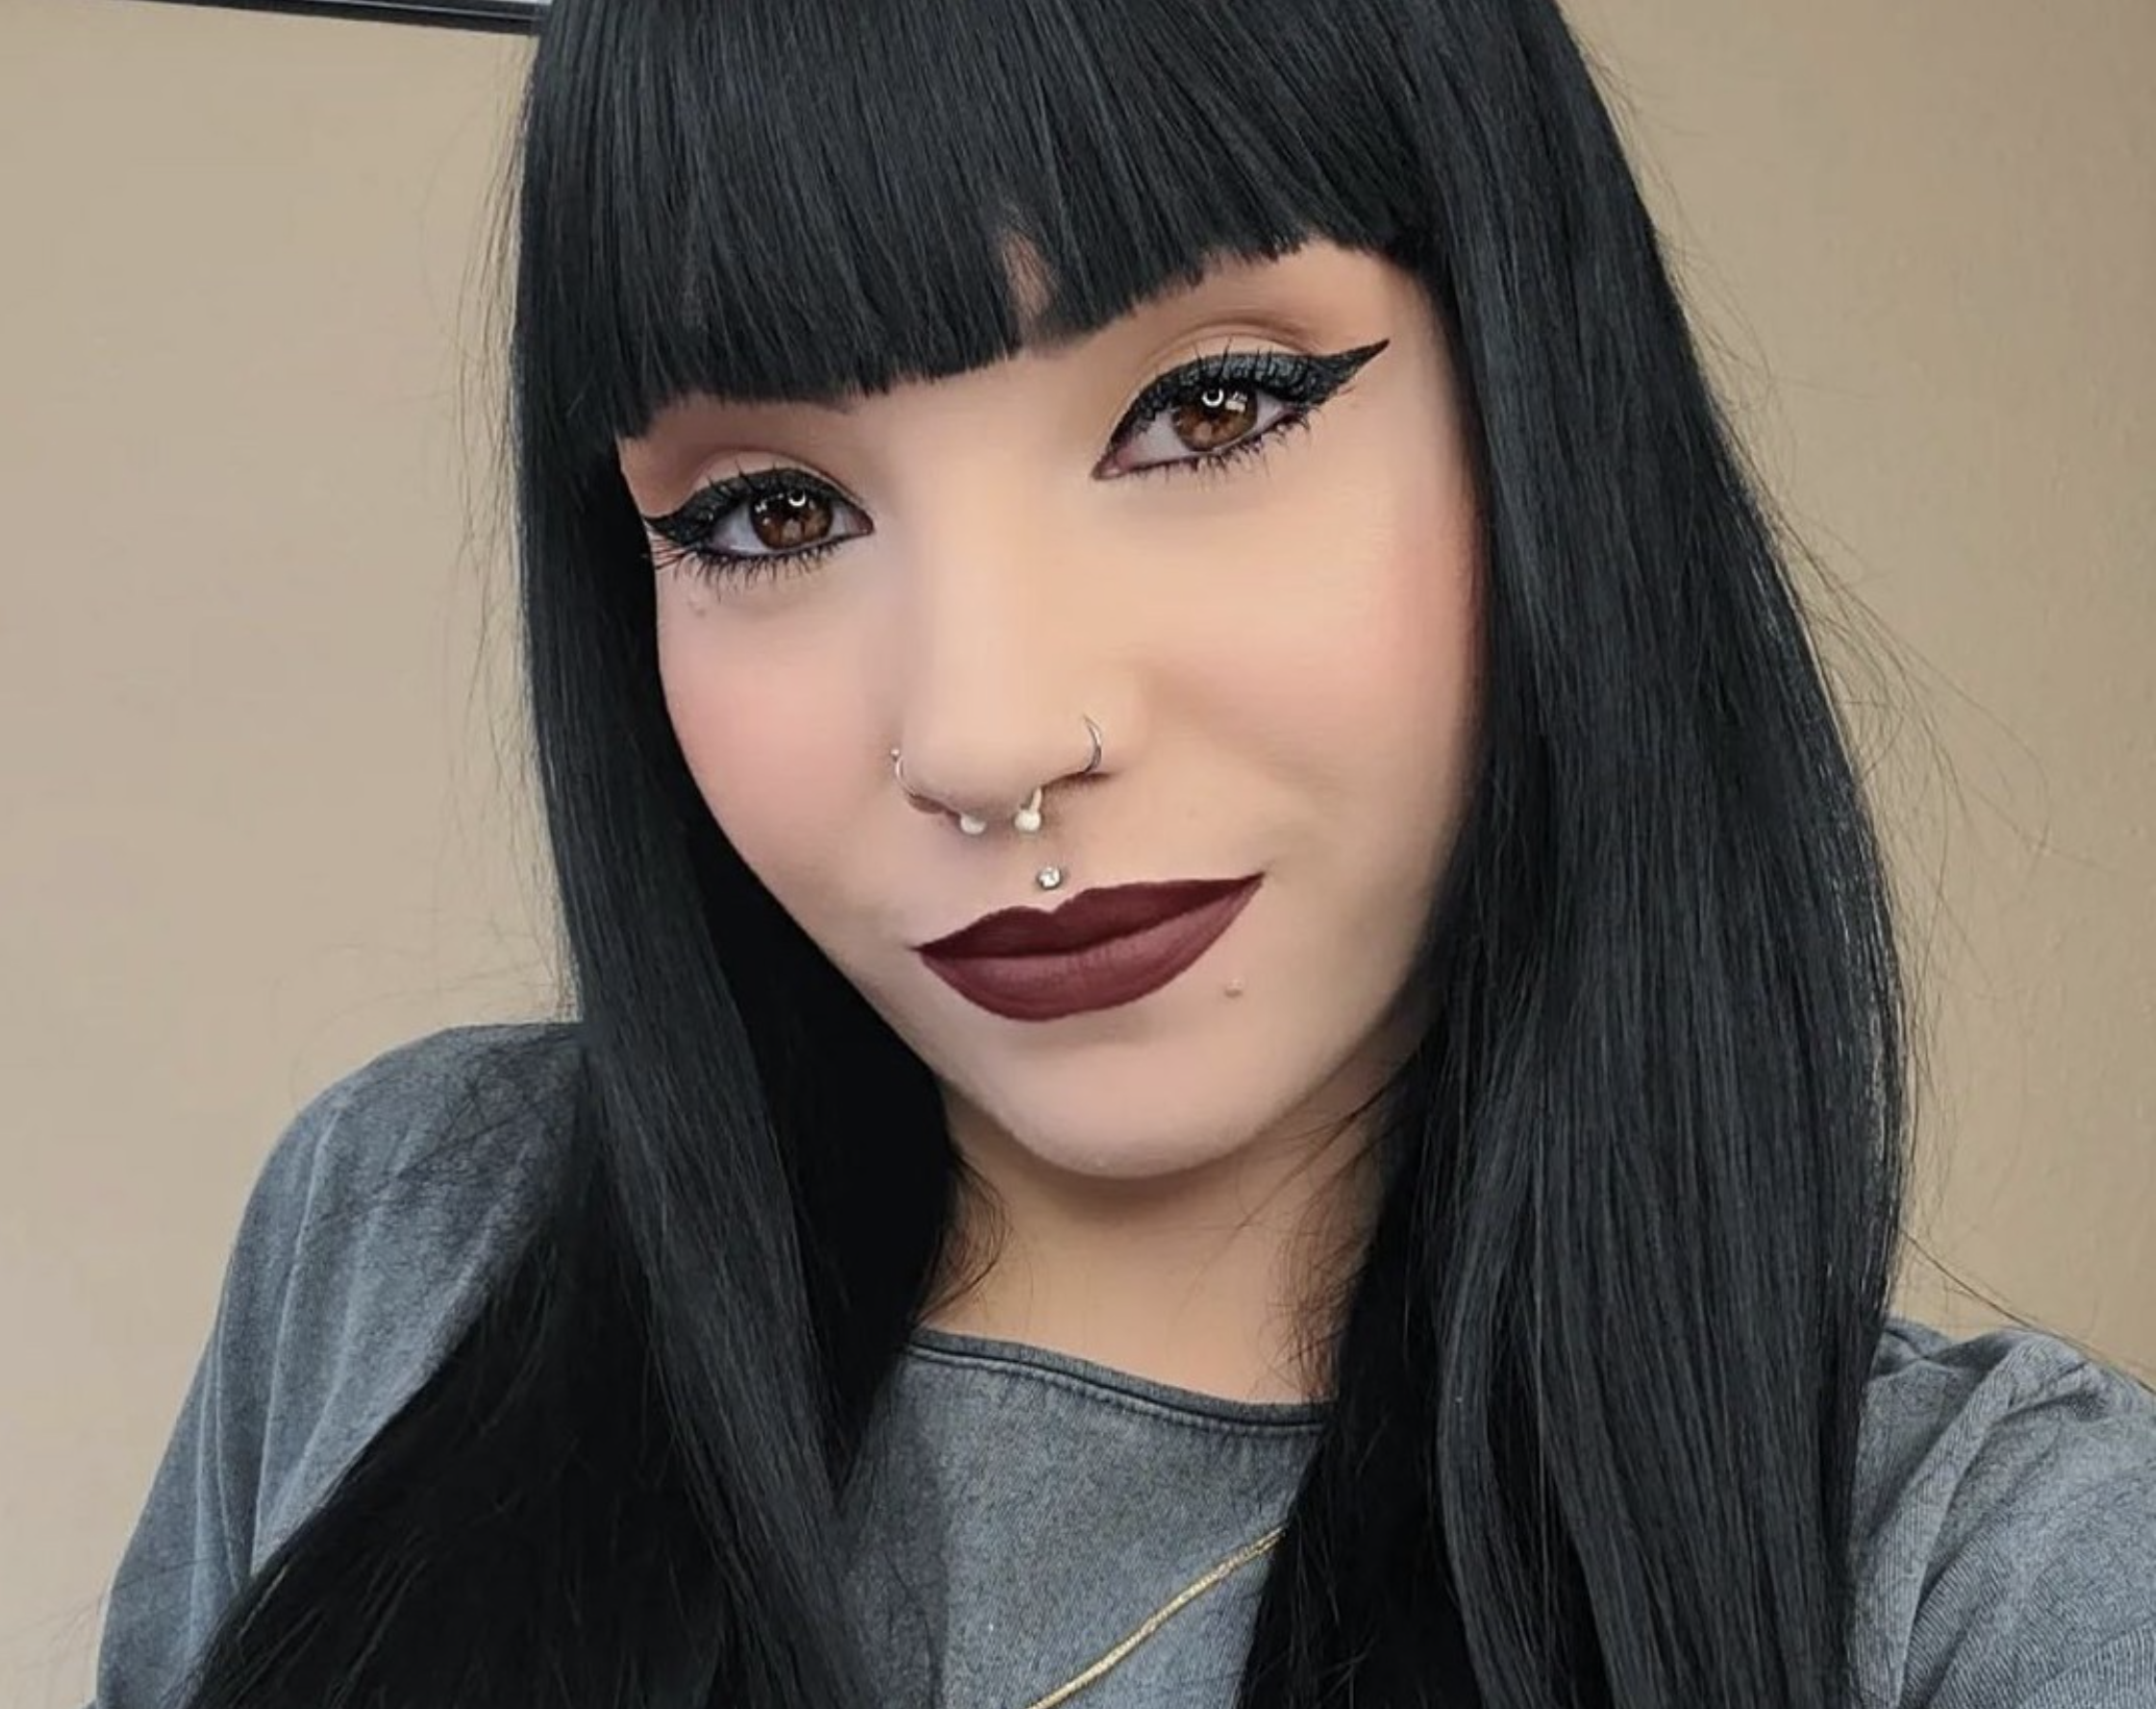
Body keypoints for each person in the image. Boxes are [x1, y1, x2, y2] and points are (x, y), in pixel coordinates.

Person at [89, 0, 2156, 1705]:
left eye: (1208, 410)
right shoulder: (409, 1237)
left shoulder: (1988, 1579)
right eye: (771, 514)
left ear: (1540, 404)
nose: (986, 738)